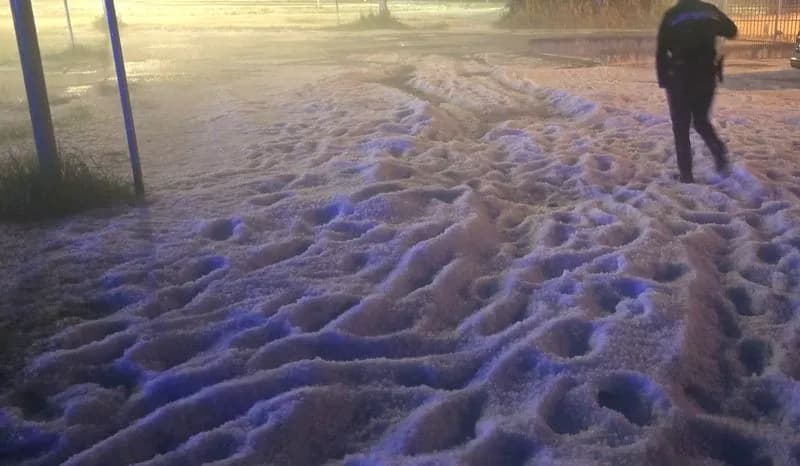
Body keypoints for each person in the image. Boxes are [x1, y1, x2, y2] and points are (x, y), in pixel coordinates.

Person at [656, 0, 738, 183]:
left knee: (681, 127)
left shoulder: (673, 15)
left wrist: (664, 80)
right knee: (701, 121)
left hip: (680, 77)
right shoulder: (709, 10)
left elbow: (661, 50)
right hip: (705, 75)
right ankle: (718, 151)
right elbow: (731, 30)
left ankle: (686, 175)